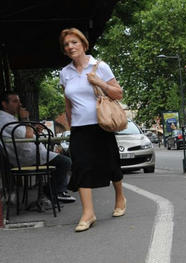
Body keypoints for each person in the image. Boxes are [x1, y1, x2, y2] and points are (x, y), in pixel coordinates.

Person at [59, 28, 126, 232]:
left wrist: (99, 83)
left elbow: (119, 94)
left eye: (74, 42)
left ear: (83, 44)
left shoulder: (100, 67)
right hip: (79, 128)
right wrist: (70, 126)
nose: (70, 47)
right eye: (66, 45)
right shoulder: (65, 73)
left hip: (101, 124)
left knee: (111, 164)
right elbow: (68, 104)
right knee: (81, 166)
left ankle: (120, 197)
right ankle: (88, 213)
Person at [0, 92, 76, 203]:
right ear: (4, 104)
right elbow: (28, 135)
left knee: (61, 159)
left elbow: (24, 133)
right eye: (15, 101)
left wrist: (33, 127)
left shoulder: (9, 118)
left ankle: (55, 190)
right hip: (26, 157)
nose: (20, 104)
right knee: (65, 162)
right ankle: (53, 191)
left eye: (19, 101)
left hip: (30, 154)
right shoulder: (4, 120)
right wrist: (25, 119)